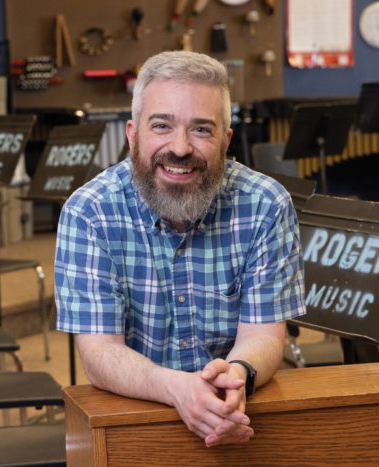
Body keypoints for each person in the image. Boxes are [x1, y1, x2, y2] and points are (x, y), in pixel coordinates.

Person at [54, 50, 305, 447]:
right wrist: (176, 388)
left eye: (201, 130)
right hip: (133, 422)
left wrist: (237, 374)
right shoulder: (89, 213)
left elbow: (265, 335)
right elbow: (99, 355)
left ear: (225, 140)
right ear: (132, 134)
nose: (181, 147)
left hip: (238, 414)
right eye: (162, 126)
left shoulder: (265, 204)